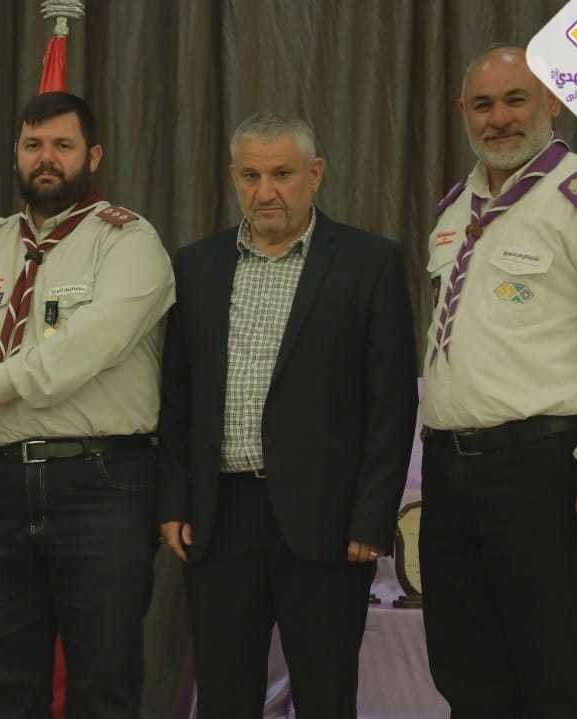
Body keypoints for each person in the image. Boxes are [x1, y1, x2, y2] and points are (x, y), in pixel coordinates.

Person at [418, 45, 577, 717]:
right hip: (450, 469)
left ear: (553, 101)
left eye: (515, 99)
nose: (498, 118)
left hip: (541, 470)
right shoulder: (455, 208)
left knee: (551, 674)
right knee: (465, 671)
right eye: (482, 104)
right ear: (462, 112)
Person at [157, 112, 418, 718]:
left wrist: (373, 517)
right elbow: (176, 395)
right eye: (251, 176)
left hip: (328, 524)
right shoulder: (196, 265)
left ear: (315, 174)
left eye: (282, 174)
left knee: (326, 697)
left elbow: (391, 402)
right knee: (224, 698)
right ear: (233, 177)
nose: (265, 191)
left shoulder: (368, 262)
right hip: (219, 520)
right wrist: (173, 500)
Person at [0, 91, 175, 718]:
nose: (47, 158)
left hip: (100, 485)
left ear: (92, 156)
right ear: (16, 153)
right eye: (33, 145)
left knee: (104, 683)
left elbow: (89, 344)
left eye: (63, 145)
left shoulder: (128, 242)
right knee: (1, 686)